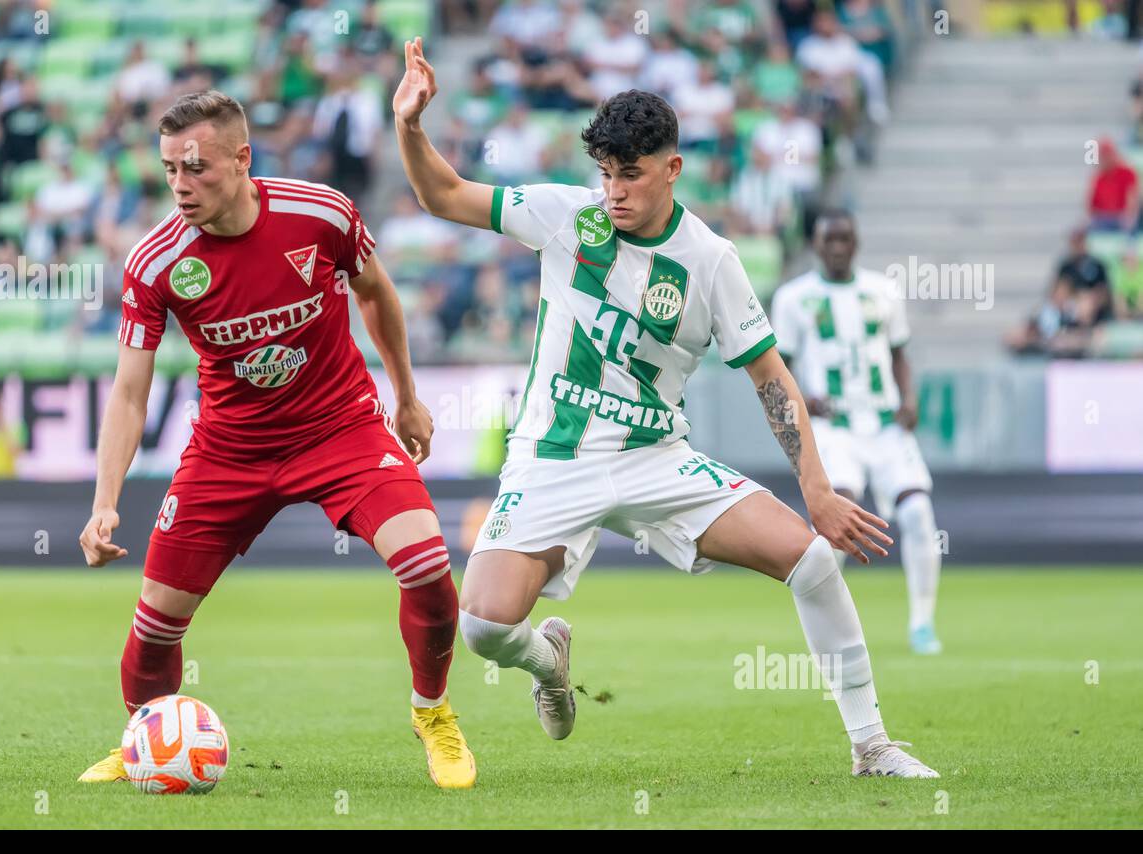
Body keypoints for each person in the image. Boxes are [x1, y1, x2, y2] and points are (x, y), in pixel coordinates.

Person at [393, 39, 938, 777]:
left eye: (632, 174)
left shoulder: (711, 261)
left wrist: (817, 489)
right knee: (486, 627)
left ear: (672, 169)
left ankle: (871, 745)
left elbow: (771, 377)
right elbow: (444, 195)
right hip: (554, 454)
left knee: (810, 560)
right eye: (607, 174)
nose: (614, 191)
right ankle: (547, 658)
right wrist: (411, 128)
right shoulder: (565, 215)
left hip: (657, 456)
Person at [76, 90, 476, 790]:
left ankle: (433, 712)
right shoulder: (155, 262)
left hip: (341, 429)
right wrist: (105, 500)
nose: (179, 185)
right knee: (155, 627)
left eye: (195, 167)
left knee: (430, 571)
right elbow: (130, 391)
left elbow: (376, 294)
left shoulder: (320, 213)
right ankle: (145, 738)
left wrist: (406, 398)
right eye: (169, 169)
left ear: (241, 158)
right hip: (228, 452)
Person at [771, 210, 942, 654]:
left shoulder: (883, 291)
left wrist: (910, 400)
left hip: (885, 425)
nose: (838, 246)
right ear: (816, 243)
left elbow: (899, 354)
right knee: (835, 518)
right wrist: (805, 402)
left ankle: (922, 624)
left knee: (919, 512)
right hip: (834, 427)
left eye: (845, 238)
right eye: (830, 238)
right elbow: (777, 370)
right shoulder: (793, 298)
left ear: (856, 242)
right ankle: (827, 631)